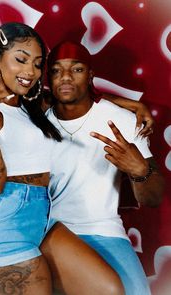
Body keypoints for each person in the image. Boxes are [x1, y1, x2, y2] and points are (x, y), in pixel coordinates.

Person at [0, 23, 128, 295]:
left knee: (108, 289)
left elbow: (76, 99)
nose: (30, 72)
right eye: (21, 60)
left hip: (42, 218)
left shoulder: (31, 107)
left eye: (37, 65)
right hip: (2, 227)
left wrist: (134, 105)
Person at [40, 41, 165, 295]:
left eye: (77, 69)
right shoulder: (36, 122)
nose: (65, 77)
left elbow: (155, 197)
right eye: (56, 70)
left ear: (90, 75)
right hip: (48, 232)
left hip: (103, 229)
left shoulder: (122, 120)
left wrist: (140, 171)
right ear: (48, 78)